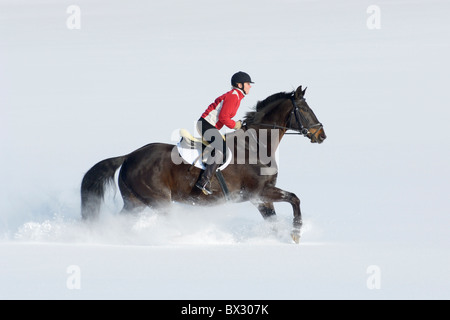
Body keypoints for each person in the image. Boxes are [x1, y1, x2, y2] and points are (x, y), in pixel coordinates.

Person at [195, 71, 254, 195]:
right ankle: (204, 181)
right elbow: (223, 117)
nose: (250, 86)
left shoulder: (236, 96)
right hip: (205, 124)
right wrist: (235, 125)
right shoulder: (234, 96)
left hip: (210, 126)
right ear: (239, 85)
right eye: (248, 83)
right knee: (221, 149)